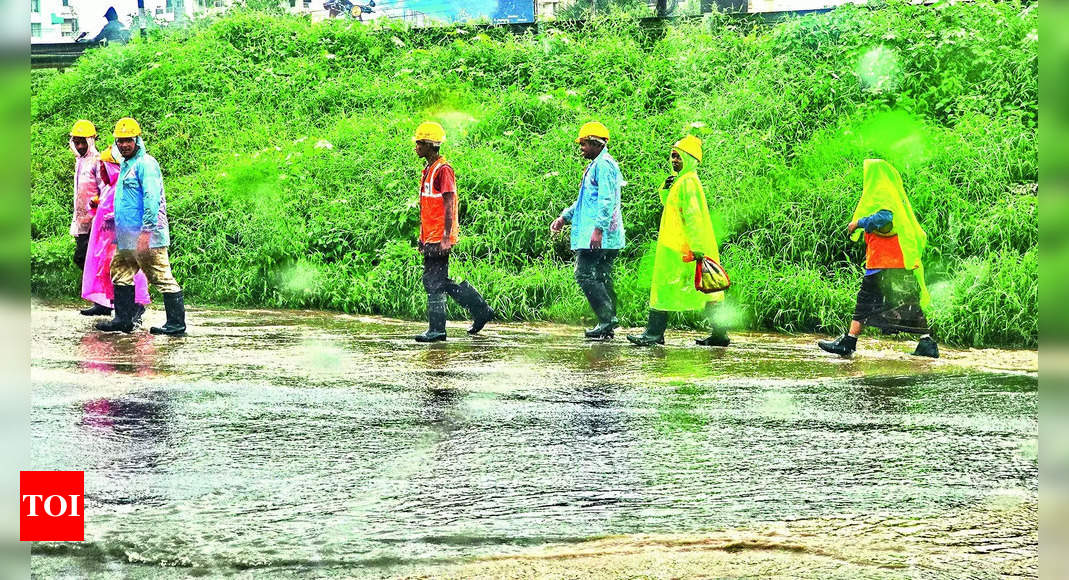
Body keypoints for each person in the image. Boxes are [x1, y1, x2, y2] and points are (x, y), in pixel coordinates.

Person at [818, 159, 938, 358]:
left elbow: (884, 218)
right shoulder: (892, 196)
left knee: (864, 301)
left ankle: (849, 342)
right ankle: (927, 342)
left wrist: (858, 223)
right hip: (899, 261)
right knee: (909, 301)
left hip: (883, 263)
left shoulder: (883, 195)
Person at [627, 135, 730, 347]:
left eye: (679, 156)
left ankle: (653, 335)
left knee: (667, 287)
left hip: (681, 248)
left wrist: (697, 247)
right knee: (707, 289)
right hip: (682, 246)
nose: (674, 160)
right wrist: (666, 187)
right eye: (672, 156)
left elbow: (692, 215)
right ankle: (720, 335)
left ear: (690, 158)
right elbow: (671, 206)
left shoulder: (688, 182)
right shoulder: (684, 180)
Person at [95, 117, 187, 335]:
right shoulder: (127, 164)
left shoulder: (146, 164)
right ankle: (123, 320)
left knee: (161, 276)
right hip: (126, 237)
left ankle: (176, 324)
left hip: (147, 236)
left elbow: (151, 199)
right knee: (120, 271)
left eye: (129, 140)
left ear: (137, 139)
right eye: (120, 141)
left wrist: (147, 232)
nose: (124, 145)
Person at [412, 121, 494, 342]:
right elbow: (428, 208)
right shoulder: (428, 169)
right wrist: (422, 236)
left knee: (434, 281)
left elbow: (450, 204)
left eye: (419, 142)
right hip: (431, 236)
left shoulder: (443, 170)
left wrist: (446, 236)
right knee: (436, 281)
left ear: (430, 145)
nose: (416, 146)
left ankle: (439, 329)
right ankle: (480, 310)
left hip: (440, 237)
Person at [551, 122, 625, 340]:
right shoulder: (598, 165)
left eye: (583, 144)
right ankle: (607, 324)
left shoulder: (604, 166)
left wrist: (598, 230)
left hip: (598, 236)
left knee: (583, 274)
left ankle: (607, 320)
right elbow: (585, 202)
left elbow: (606, 200)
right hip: (602, 236)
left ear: (595, 143)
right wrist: (564, 217)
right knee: (602, 277)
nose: (581, 148)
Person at [81, 144, 151, 322]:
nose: (101, 171)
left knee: (124, 271)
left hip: (118, 239)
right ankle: (118, 309)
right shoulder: (109, 188)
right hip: (107, 240)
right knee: (111, 273)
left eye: (104, 166)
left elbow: (123, 209)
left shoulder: (119, 188)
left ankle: (132, 309)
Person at [69, 120, 106, 315]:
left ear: (91, 141)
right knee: (84, 259)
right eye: (77, 142)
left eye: (83, 142)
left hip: (96, 221)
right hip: (82, 222)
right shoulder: (79, 161)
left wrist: (97, 202)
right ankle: (101, 301)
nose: (80, 146)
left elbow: (106, 188)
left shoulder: (97, 161)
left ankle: (105, 301)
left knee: (90, 259)